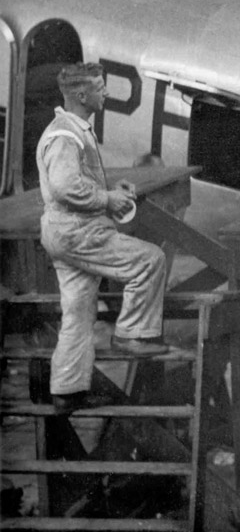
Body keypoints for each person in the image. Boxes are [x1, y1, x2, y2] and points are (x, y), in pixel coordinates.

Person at [37, 62, 169, 414]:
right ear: (82, 95)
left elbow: (71, 182)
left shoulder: (71, 128)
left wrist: (109, 191)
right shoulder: (66, 136)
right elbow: (65, 187)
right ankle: (132, 333)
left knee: (78, 312)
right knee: (150, 259)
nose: (106, 92)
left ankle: (66, 390)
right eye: (100, 86)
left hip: (63, 232)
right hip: (77, 231)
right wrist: (106, 200)